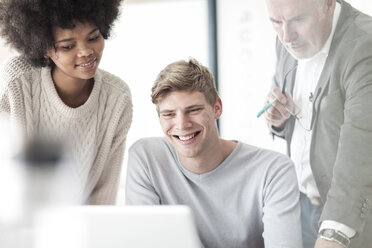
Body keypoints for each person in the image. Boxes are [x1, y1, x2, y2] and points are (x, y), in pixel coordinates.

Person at [126, 58, 302, 248]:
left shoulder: (274, 170)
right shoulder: (146, 158)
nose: (182, 125)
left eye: (193, 110)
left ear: (217, 108)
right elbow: (144, 241)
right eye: (169, 114)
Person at [0, 0, 133, 204]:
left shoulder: (116, 97)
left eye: (93, 37)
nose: (86, 51)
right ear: (43, 47)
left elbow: (105, 191)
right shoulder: (17, 81)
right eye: (68, 46)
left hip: (81, 226)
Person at [263, 0, 372, 247]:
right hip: (299, 204)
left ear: (329, 5)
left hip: (351, 215)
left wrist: (334, 232)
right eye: (276, 22)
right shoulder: (286, 39)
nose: (287, 36)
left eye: (298, 20)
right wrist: (278, 119)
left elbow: (362, 144)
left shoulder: (366, 46)